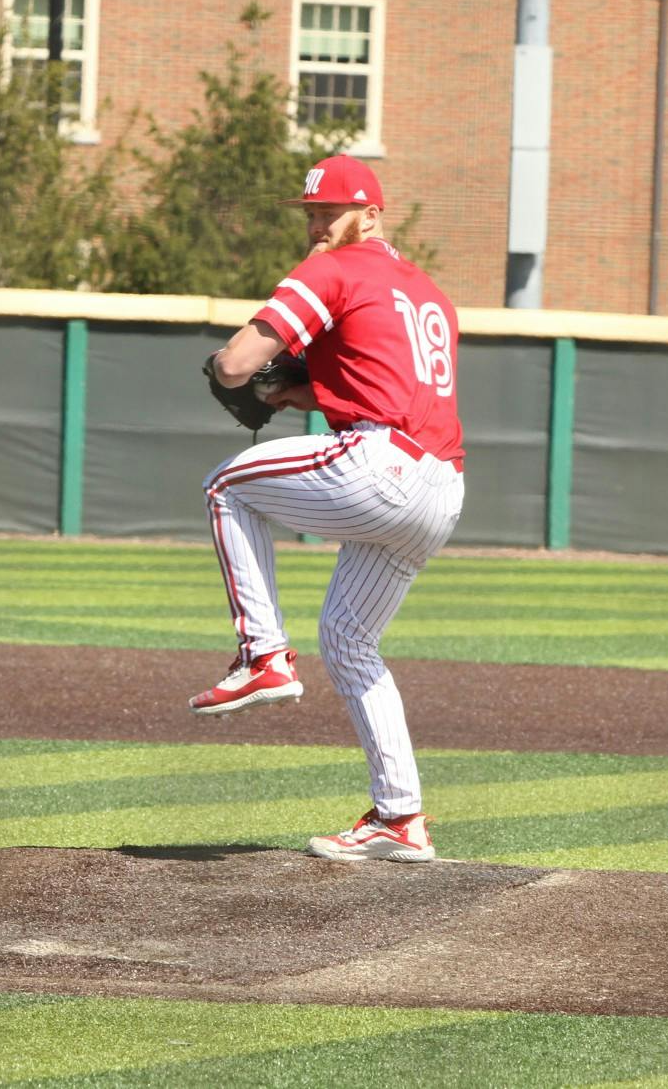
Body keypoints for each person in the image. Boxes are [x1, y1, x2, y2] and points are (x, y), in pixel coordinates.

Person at [190, 155, 465, 863]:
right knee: (349, 640)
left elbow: (236, 364)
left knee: (226, 486)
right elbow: (382, 383)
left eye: (331, 212)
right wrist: (300, 393)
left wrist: (232, 368)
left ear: (371, 215)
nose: (317, 225)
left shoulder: (332, 270)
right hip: (442, 487)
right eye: (311, 213)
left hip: (380, 465)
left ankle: (262, 654)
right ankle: (401, 818)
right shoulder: (427, 292)